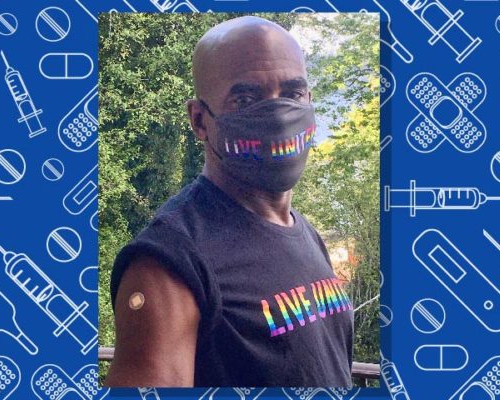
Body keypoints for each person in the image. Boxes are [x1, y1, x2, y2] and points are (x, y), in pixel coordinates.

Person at [105, 15, 354, 388]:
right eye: (245, 98)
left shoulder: (305, 232)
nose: (277, 114)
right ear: (200, 121)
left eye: (292, 93)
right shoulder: (170, 265)